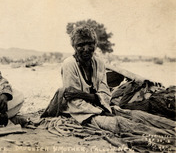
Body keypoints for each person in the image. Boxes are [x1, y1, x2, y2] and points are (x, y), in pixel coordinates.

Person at [41, 24, 175, 137]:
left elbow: (105, 93)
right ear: (74, 47)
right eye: (81, 45)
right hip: (81, 113)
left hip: (101, 106)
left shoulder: (99, 62)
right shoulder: (69, 64)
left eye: (90, 44)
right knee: (121, 124)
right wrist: (98, 106)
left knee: (136, 115)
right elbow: (74, 100)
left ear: (95, 44)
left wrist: (86, 96)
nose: (86, 49)